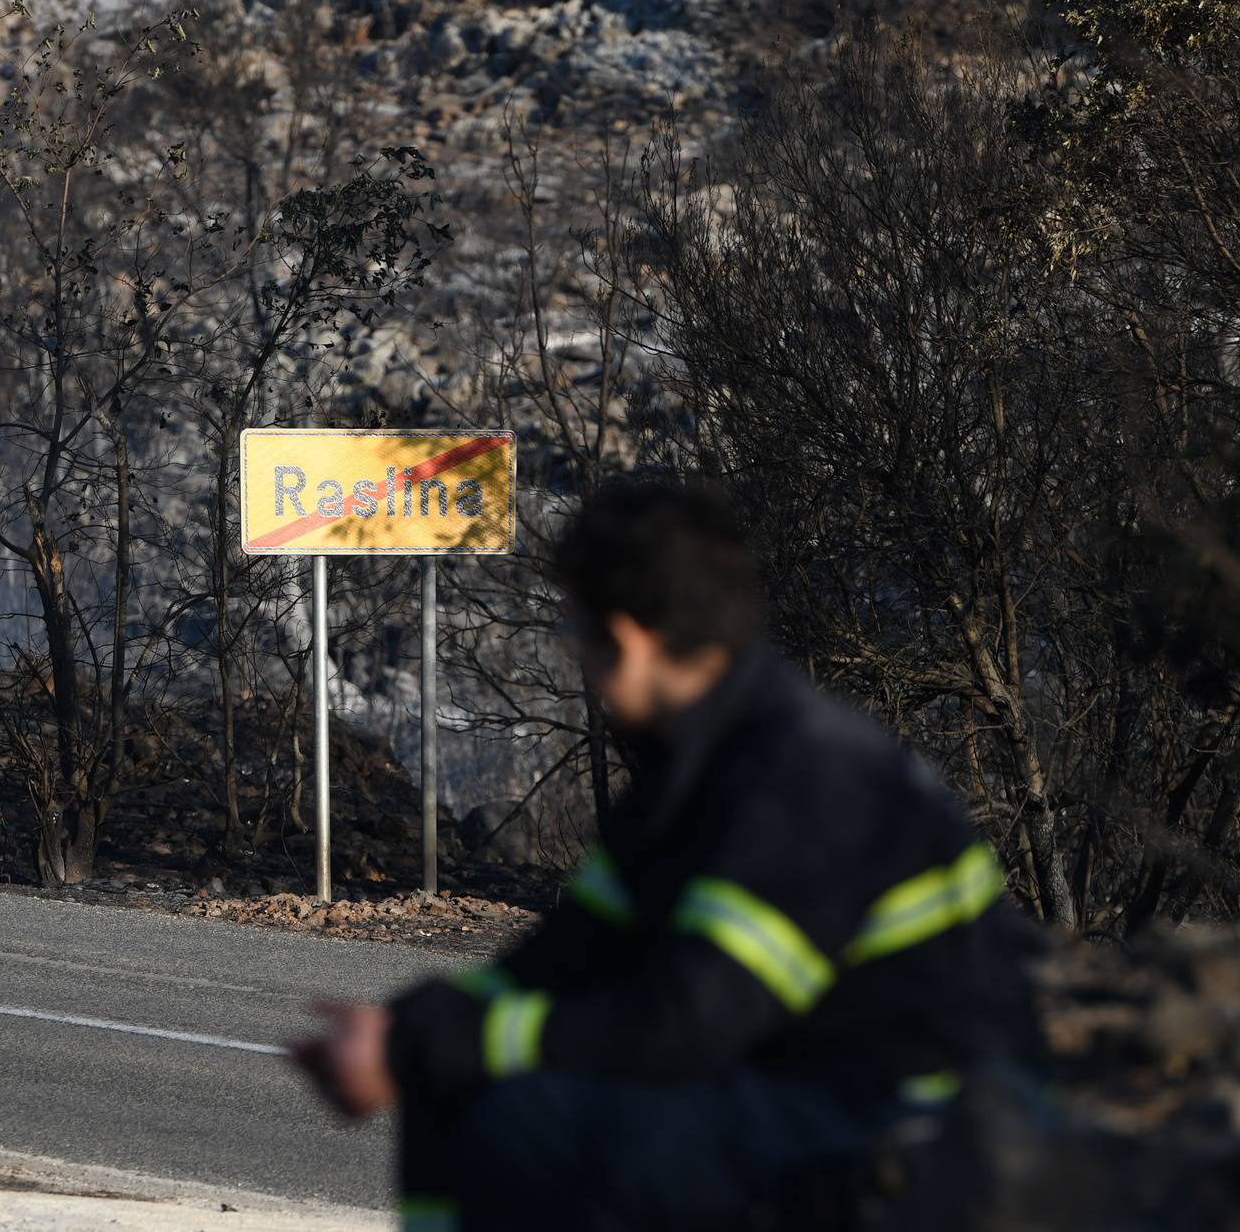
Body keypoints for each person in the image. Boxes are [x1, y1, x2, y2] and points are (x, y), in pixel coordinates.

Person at [295, 478, 1041, 1231]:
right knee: (450, 1082)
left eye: (576, 636)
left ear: (625, 642)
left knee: (522, 1123)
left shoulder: (805, 777)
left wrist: (463, 1043)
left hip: (914, 1134)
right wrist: (409, 1032)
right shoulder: (697, 764)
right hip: (812, 1088)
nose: (578, 662)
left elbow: (685, 1025)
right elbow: (565, 955)